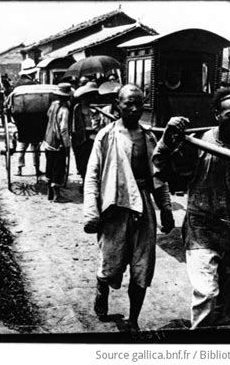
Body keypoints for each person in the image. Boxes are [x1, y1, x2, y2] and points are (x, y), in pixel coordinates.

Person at [152, 86, 230, 329]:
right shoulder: (199, 142)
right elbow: (164, 169)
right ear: (216, 115)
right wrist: (167, 141)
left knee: (227, 310)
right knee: (207, 293)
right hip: (202, 230)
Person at [83, 84, 175, 331]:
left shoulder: (149, 137)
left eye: (139, 103)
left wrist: (165, 209)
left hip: (143, 207)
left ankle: (134, 320)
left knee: (142, 267)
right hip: (114, 207)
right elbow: (92, 176)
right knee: (110, 264)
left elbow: (159, 177)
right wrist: (92, 212)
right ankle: (102, 287)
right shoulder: (106, 136)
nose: (134, 109)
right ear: (118, 105)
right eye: (128, 104)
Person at [9, 60, 41, 176]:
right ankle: (37, 168)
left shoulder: (16, 85)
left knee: (22, 144)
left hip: (21, 119)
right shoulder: (35, 85)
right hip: (35, 118)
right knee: (35, 145)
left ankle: (19, 168)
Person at [44, 83, 73, 202]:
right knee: (58, 168)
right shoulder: (64, 110)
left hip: (48, 140)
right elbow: (64, 129)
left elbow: (48, 116)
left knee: (50, 166)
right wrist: (67, 145)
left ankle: (49, 193)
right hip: (57, 142)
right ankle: (57, 196)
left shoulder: (53, 105)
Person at [71, 81, 100, 186]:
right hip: (80, 137)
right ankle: (84, 180)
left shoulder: (96, 108)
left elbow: (98, 123)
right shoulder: (77, 108)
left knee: (92, 161)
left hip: (93, 136)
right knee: (81, 160)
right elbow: (74, 125)